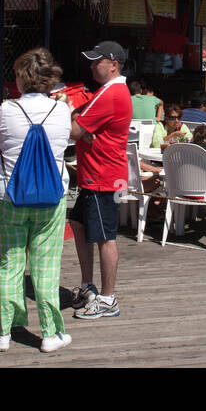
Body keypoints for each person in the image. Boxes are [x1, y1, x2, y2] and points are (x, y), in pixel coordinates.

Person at [0, 48, 74, 353]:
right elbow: (70, 139)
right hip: (51, 198)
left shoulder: (6, 110)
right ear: (52, 80)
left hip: (9, 196)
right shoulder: (63, 111)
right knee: (46, 266)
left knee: (8, 263)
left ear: (21, 78)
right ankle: (50, 334)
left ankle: (4, 332)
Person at [69, 41, 132, 320]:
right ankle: (88, 286)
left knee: (105, 237)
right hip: (97, 174)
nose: (92, 65)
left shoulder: (111, 94)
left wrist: (81, 128)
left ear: (113, 64)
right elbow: (80, 127)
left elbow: (74, 129)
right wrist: (82, 129)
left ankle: (108, 298)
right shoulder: (107, 91)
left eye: (97, 61)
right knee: (80, 224)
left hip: (103, 177)